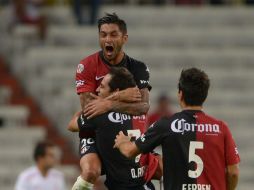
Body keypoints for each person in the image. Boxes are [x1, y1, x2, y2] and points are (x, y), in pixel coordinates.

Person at [115, 68, 240, 190]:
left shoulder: (166, 125)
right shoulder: (221, 128)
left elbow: (129, 151)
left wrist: (122, 142)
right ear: (205, 95)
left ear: (180, 94)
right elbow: (233, 173)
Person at [74, 13, 152, 189]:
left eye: (113, 34)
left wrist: (109, 102)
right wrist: (122, 96)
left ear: (124, 38)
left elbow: (143, 107)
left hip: (127, 132)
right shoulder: (87, 65)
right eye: (103, 35)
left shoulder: (138, 68)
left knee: (159, 167)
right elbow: (89, 109)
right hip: (95, 132)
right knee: (90, 172)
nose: (107, 39)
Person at [69, 67, 161, 190]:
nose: (97, 90)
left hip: (121, 186)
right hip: (144, 185)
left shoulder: (100, 115)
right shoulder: (140, 111)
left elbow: (72, 125)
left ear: (116, 91)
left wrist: (103, 102)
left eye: (102, 87)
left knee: (90, 170)